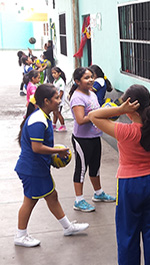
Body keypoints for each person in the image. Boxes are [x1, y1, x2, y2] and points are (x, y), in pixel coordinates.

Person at [89, 84, 150, 265]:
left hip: (128, 184)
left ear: (130, 108)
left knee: (127, 231)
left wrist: (119, 110)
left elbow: (93, 116)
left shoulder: (124, 131)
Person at [14, 84, 89, 247]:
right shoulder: (38, 120)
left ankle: (68, 227)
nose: (59, 100)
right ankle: (20, 235)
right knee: (30, 201)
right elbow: (36, 147)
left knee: (52, 196)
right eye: (56, 97)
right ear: (46, 101)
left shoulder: (43, 116)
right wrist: (57, 151)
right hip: (31, 169)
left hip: (38, 168)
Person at [69, 67, 116, 213]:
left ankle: (98, 193)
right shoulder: (77, 98)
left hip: (95, 136)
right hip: (82, 139)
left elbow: (96, 111)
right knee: (81, 168)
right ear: (77, 81)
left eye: (91, 77)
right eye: (86, 78)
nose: (90, 80)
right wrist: (97, 114)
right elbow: (80, 120)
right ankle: (79, 200)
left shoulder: (91, 94)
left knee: (95, 166)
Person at [51, 67, 67, 132]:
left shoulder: (61, 82)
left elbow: (61, 92)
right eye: (52, 73)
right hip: (55, 99)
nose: (53, 75)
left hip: (59, 100)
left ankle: (63, 126)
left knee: (58, 113)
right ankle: (54, 124)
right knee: (55, 113)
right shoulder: (55, 81)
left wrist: (58, 100)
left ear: (59, 73)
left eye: (55, 73)